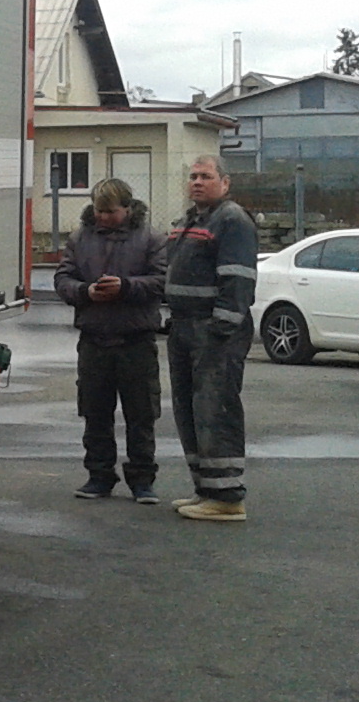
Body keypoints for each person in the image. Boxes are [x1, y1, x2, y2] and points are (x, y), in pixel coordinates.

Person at [54, 176, 166, 500]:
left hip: (136, 340)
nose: (103, 217)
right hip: (94, 340)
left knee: (141, 414)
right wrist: (85, 292)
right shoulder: (79, 239)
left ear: (127, 209)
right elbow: (63, 279)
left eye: (110, 212)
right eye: (99, 211)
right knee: (95, 413)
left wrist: (125, 287)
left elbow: (161, 281)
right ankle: (99, 476)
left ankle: (142, 480)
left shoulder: (151, 239)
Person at [164, 156, 259, 522]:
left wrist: (221, 328)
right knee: (190, 411)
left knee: (215, 410)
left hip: (214, 332)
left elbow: (238, 280)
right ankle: (206, 488)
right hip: (184, 328)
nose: (197, 182)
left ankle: (227, 496)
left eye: (206, 176)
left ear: (225, 183)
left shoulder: (232, 220)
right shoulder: (190, 221)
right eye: (193, 176)